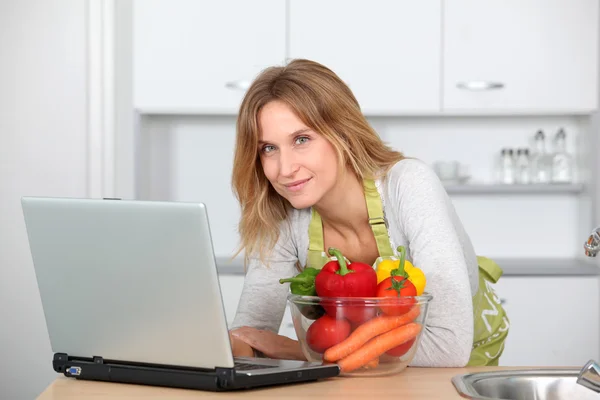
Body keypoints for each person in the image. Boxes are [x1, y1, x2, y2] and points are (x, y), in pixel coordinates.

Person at [227, 59, 509, 367]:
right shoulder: (282, 215)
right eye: (268, 148)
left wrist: (303, 351)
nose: (285, 169)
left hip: (452, 374)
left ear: (342, 132)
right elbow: (251, 336)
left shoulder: (408, 185)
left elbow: (447, 348)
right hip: (349, 376)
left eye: (302, 139)